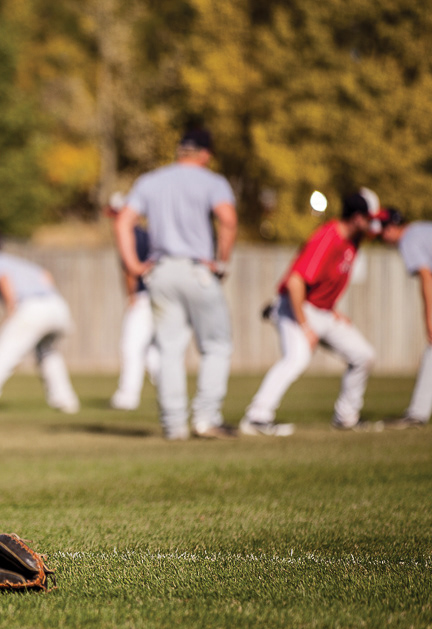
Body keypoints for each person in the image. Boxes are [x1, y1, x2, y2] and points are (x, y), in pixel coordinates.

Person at [115, 128, 238, 440]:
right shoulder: (213, 182)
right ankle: (205, 418)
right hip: (197, 270)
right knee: (216, 345)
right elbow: (228, 219)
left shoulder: (151, 181)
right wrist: (222, 262)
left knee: (169, 350)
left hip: (160, 272)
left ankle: (174, 425)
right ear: (205, 154)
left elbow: (123, 221)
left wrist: (133, 264)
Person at [240, 190, 380, 435]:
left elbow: (324, 283)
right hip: (297, 307)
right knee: (297, 358)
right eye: (369, 218)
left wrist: (332, 310)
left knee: (363, 355)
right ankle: (256, 417)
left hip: (323, 312)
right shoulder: (328, 237)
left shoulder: (353, 241)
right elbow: (296, 282)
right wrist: (305, 326)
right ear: (357, 217)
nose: (372, 223)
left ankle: (346, 417)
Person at [0, 226, 79, 415]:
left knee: (2, 354)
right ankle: (66, 402)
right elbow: (45, 275)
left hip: (32, 308)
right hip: (57, 306)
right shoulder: (14, 261)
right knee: (48, 353)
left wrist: (11, 308)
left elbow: (4, 278)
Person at [107, 192, 160, 410]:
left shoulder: (129, 234)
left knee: (131, 347)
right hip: (158, 295)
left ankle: (127, 397)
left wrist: (131, 296)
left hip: (143, 296)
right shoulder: (148, 234)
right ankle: (170, 391)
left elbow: (130, 270)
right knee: (152, 351)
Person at [379, 208, 432, 428]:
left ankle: (417, 414)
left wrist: (429, 317)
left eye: (382, 230)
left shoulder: (409, 239)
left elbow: (426, 277)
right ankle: (417, 412)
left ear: (392, 227)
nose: (382, 237)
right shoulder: (421, 229)